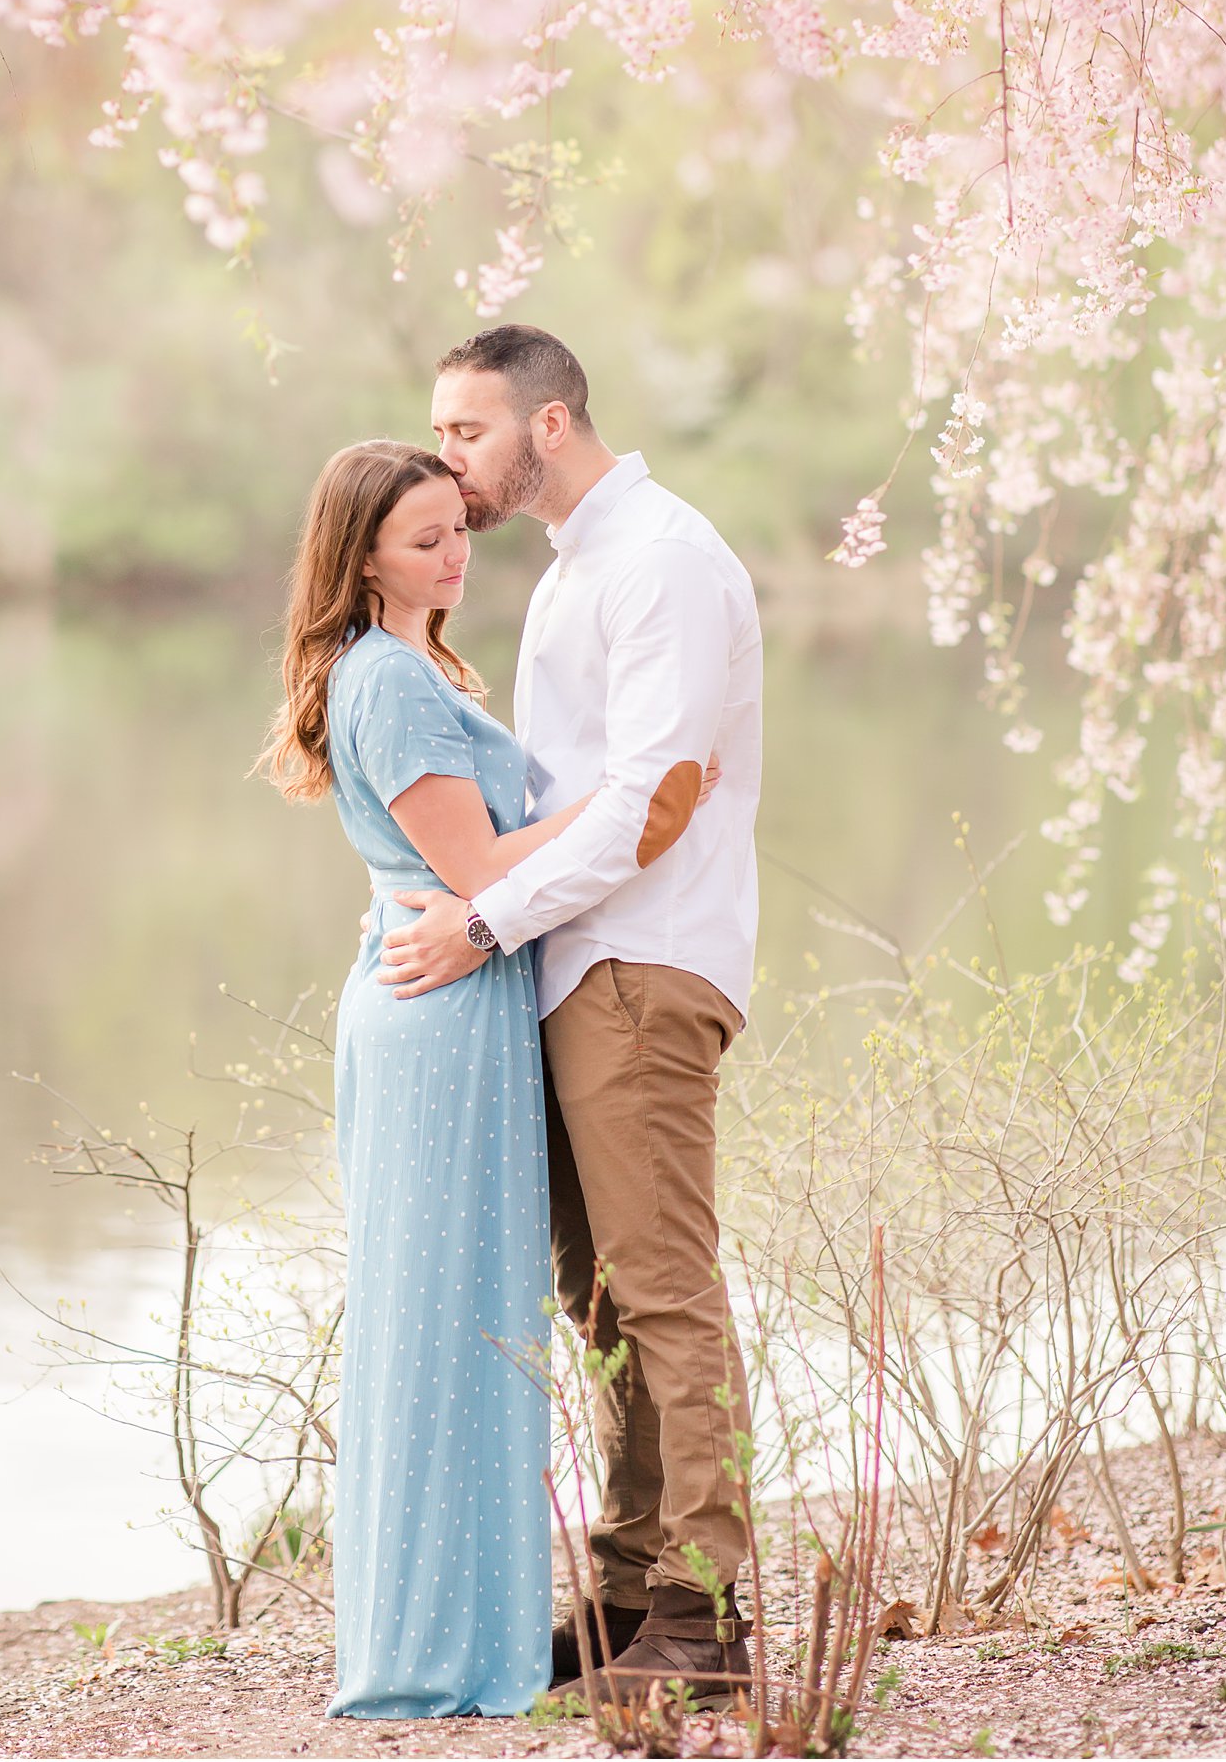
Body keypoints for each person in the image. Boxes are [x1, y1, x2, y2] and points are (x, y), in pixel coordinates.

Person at [378, 326, 763, 1706]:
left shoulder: (660, 558)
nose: (450, 456)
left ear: (549, 421)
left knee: (664, 1290)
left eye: (467, 429)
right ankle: (624, 1598)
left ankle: (707, 1615)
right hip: (570, 967)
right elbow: (556, 803)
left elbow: (648, 807)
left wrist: (481, 921)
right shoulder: (575, 572)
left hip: (642, 965)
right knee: (601, 1302)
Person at [257, 439, 587, 1717]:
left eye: (459, 530)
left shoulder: (410, 663)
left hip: (449, 1001)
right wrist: (630, 798)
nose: (453, 556)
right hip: (438, 1011)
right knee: (444, 1322)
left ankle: (452, 1629)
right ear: (361, 557)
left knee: (463, 1315)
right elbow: (482, 872)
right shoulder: (385, 679)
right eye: (422, 539)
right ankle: (430, 1652)